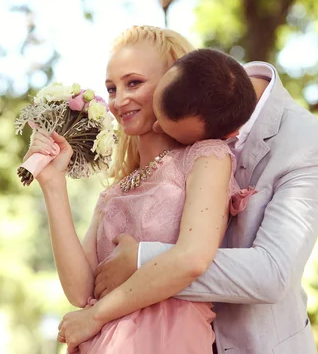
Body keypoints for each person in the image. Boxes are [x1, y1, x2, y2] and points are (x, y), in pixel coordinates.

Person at [23, 27, 257, 353]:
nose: (119, 100)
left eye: (134, 83)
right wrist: (53, 184)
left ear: (173, 83)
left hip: (167, 338)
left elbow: (192, 260)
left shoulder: (206, 157)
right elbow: (80, 291)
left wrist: (96, 316)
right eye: (111, 88)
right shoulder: (114, 193)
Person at [90, 54, 318, 353]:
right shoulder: (198, 83)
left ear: (226, 135)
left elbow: (273, 273)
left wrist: (143, 262)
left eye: (167, 130)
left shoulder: (309, 146)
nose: (156, 130)